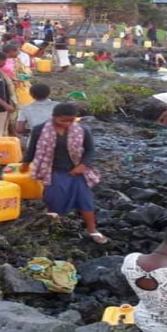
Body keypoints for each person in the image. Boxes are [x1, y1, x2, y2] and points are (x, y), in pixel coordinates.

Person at [20, 103, 108, 244]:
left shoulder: (82, 129)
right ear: (54, 117)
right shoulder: (39, 130)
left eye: (71, 120)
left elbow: (90, 150)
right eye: (63, 120)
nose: (68, 123)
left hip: (76, 171)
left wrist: (82, 165)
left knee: (85, 200)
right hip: (53, 171)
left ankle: (92, 230)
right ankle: (54, 226)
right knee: (53, 198)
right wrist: (25, 164)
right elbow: (32, 149)